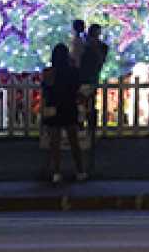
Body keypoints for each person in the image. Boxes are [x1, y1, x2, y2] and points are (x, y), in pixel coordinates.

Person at [41, 42, 86, 183]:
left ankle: (57, 172)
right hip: (69, 107)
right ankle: (80, 170)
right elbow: (77, 89)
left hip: (54, 108)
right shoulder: (73, 71)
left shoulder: (49, 73)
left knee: (55, 142)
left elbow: (46, 91)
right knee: (74, 141)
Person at [79, 23, 109, 138]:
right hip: (87, 77)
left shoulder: (96, 47)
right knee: (85, 102)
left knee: (88, 102)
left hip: (88, 77)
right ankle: (86, 126)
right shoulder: (90, 45)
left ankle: (89, 126)